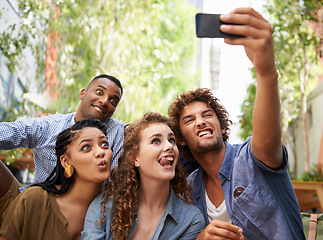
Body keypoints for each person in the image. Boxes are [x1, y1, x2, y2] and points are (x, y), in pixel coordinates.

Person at [168, 7, 305, 240]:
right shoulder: (188, 189)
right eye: (189, 120)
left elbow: (268, 140)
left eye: (207, 115)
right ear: (180, 138)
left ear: (221, 126)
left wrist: (266, 72)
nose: (200, 121)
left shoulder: (252, 159)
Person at [81, 112, 205, 240]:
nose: (169, 146)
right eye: (156, 141)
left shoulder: (191, 220)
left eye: (171, 140)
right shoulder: (104, 207)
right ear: (134, 158)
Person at [0, 118, 113, 240]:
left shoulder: (117, 210)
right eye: (86, 147)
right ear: (66, 161)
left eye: (104, 144)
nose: (100, 152)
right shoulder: (34, 199)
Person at [0, 74, 124, 184]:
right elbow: (15, 131)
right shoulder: (50, 126)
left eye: (113, 101)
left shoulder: (119, 134)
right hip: (40, 204)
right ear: (83, 93)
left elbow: (114, 186)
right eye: (99, 92)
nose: (104, 101)